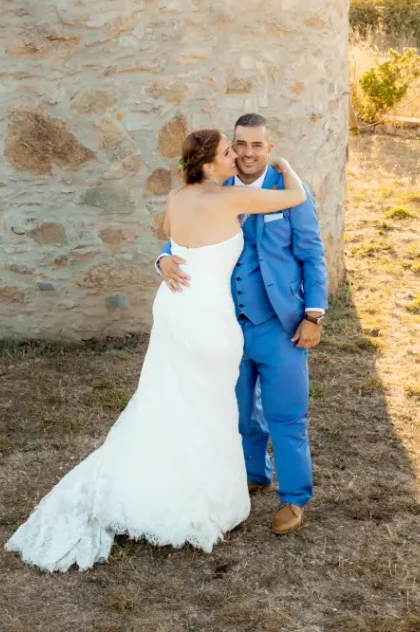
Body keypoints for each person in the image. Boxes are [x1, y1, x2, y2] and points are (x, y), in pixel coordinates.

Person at [5, 128, 306, 571]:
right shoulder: (228, 199)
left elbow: (172, 237)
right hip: (206, 316)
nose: (235, 157)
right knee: (207, 404)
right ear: (207, 165)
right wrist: (283, 166)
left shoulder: (176, 197)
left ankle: (158, 482)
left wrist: (164, 259)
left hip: (173, 308)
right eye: (227, 152)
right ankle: (195, 497)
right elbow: (295, 197)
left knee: (167, 398)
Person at [157, 113, 327, 535]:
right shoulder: (216, 189)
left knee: (287, 415)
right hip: (225, 326)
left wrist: (313, 315)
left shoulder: (291, 194)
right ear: (230, 150)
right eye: (240, 145)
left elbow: (311, 254)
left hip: (279, 325)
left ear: (269, 148)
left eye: (256, 145)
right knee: (237, 412)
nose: (247, 153)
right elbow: (180, 234)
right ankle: (253, 473)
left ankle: (293, 498)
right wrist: (162, 259)